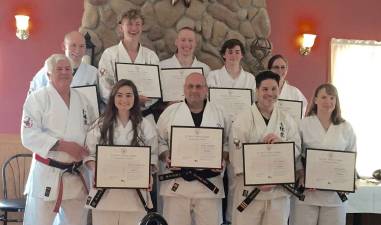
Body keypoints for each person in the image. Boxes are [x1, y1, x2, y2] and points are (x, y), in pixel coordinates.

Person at [21, 54, 94, 225]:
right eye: (59, 69)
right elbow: (28, 135)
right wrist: (63, 146)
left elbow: (93, 131)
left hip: (76, 175)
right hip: (47, 174)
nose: (64, 72)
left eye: (67, 69)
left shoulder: (83, 100)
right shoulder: (37, 99)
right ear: (48, 74)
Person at [229, 71, 301, 225]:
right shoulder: (243, 119)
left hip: (278, 193)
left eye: (274, 89)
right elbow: (236, 154)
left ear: (279, 91)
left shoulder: (286, 119)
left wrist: (281, 144)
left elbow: (296, 148)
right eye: (265, 89)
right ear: (257, 90)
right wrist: (258, 181)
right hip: (250, 191)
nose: (270, 93)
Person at [157, 72, 229, 225]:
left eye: (199, 86)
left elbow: (227, 143)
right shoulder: (170, 112)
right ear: (184, 89)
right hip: (177, 185)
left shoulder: (220, 113)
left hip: (209, 186)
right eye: (190, 86)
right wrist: (166, 156)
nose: (194, 90)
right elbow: (159, 140)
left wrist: (223, 158)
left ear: (206, 89)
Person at [84, 79, 158, 225]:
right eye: (119, 95)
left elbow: (152, 155)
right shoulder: (100, 124)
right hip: (105, 193)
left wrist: (148, 174)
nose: (124, 99)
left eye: (129, 95)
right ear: (112, 98)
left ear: (135, 98)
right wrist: (95, 170)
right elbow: (89, 154)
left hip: (135, 195)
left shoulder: (145, 125)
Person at [290, 83, 356, 225]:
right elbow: (295, 152)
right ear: (315, 100)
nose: (328, 101)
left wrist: (349, 180)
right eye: (324, 97)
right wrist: (300, 172)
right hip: (307, 191)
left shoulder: (345, 127)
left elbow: (351, 155)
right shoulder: (303, 124)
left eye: (332, 97)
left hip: (335, 194)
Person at [206, 38, 256, 224]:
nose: (233, 55)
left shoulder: (250, 79)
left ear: (242, 55)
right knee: (216, 173)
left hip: (240, 131)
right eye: (230, 51)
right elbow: (210, 103)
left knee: (236, 176)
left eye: (237, 51)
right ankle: (215, 218)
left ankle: (232, 219)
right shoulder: (213, 76)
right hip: (218, 128)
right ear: (224, 54)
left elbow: (252, 106)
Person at [98, 9, 159, 119]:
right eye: (129, 24)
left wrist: (145, 101)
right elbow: (105, 87)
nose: (134, 28)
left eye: (137, 24)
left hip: (144, 115)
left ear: (142, 27)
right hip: (116, 115)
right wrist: (130, 100)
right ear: (121, 27)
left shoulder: (151, 56)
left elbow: (157, 87)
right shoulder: (110, 54)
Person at [28, 31, 98, 94]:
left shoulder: (93, 72)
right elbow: (33, 97)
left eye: (82, 46)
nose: (77, 50)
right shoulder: (48, 70)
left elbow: (99, 102)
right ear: (64, 46)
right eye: (73, 45)